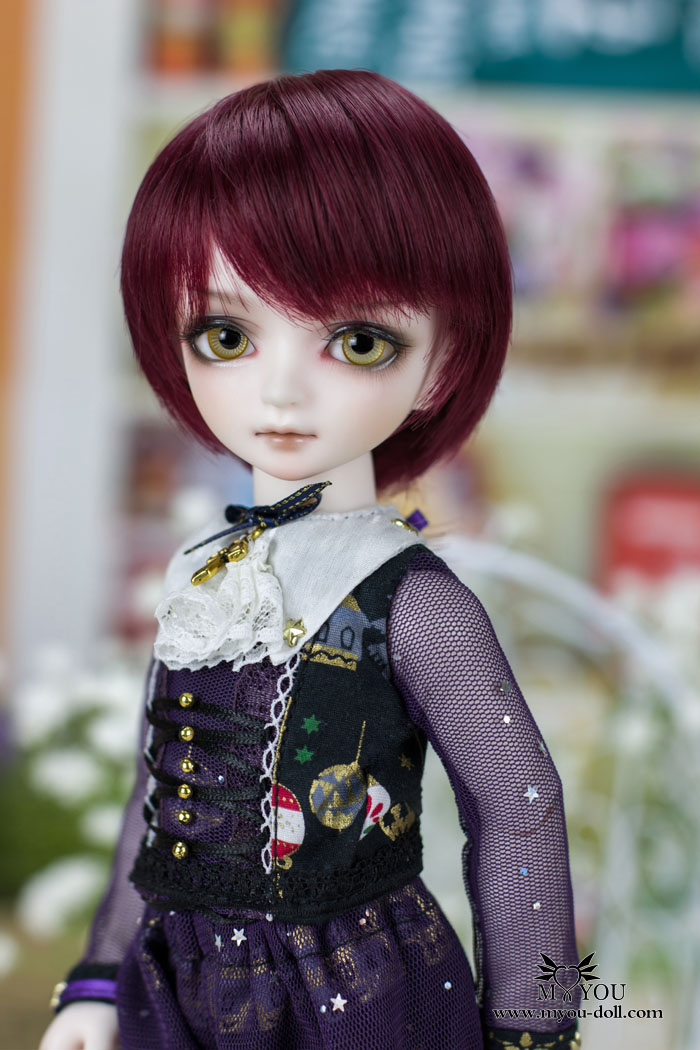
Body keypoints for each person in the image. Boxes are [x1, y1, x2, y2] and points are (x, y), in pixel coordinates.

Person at [39, 69, 582, 1050]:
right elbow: (155, 799)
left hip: (355, 999)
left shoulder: (410, 601)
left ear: (441, 361)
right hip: (178, 984)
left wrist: (534, 1025)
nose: (281, 393)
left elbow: (519, 804)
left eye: (359, 341)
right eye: (226, 335)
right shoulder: (203, 577)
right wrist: (99, 979)